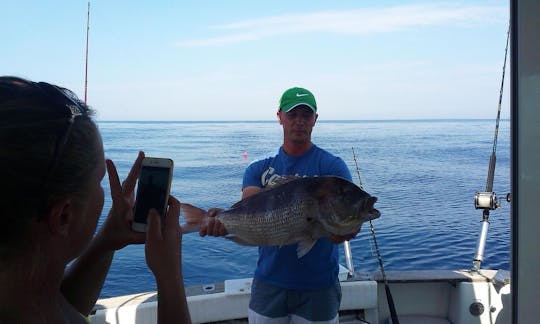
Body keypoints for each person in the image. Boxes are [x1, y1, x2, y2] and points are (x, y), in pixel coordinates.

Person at [0, 76, 191, 323]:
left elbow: (65, 303)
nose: (107, 195)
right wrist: (169, 275)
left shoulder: (22, 295)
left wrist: (105, 242)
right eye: (99, 180)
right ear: (64, 216)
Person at [201, 87, 357, 323]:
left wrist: (343, 229)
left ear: (315, 119)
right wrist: (222, 221)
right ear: (280, 117)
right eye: (292, 115)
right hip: (269, 283)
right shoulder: (259, 168)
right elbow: (248, 208)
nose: (299, 122)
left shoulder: (333, 168)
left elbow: (350, 224)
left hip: (319, 286)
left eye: (306, 115)